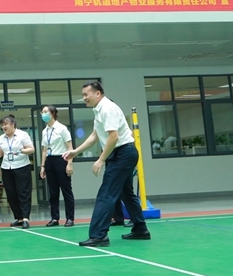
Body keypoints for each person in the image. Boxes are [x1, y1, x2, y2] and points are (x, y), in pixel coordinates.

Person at [64, 81, 151, 247]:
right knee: (126, 193)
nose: (84, 98)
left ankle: (99, 235)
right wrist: (75, 152)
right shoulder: (99, 110)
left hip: (123, 154)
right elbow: (94, 136)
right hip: (121, 154)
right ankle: (140, 229)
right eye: (83, 95)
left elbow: (113, 136)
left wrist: (101, 159)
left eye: (86, 95)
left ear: (97, 93)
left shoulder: (107, 108)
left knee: (106, 194)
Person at [0, 114, 35, 229]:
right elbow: (0, 152)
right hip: (7, 167)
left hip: (21, 166)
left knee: (23, 192)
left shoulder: (22, 135)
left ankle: (25, 218)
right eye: (2, 125)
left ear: (13, 124)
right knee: (11, 193)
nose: (4, 127)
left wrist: (22, 151)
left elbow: (31, 149)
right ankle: (19, 217)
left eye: (6, 124)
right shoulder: (2, 138)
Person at [39, 105, 75, 227]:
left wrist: (69, 164)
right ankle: (55, 218)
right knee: (53, 192)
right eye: (42, 112)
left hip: (61, 159)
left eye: (45, 112)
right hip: (49, 161)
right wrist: (43, 166)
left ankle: (70, 218)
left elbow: (70, 148)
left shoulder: (62, 129)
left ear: (53, 113)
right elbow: (44, 150)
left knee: (66, 190)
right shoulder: (45, 131)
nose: (43, 114)